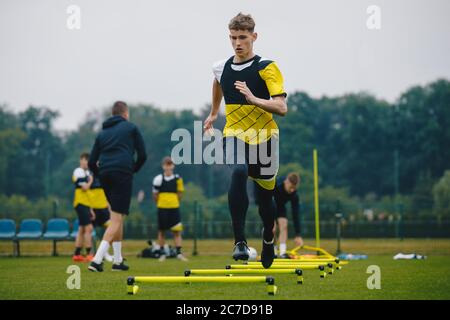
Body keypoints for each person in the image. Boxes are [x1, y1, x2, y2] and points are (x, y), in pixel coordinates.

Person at [203, 13, 288, 268]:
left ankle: (268, 236)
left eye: (242, 37)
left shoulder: (267, 67)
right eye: (233, 38)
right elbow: (218, 82)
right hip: (235, 133)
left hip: (265, 139)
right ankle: (239, 242)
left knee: (265, 202)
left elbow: (281, 107)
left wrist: (254, 99)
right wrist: (214, 112)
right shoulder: (221, 66)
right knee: (238, 171)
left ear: (254, 37)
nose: (237, 43)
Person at [87, 101, 147, 272]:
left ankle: (118, 260)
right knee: (116, 219)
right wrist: (132, 169)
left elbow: (92, 161)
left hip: (105, 174)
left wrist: (100, 174)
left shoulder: (102, 133)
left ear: (113, 114)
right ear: (125, 114)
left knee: (117, 215)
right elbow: (142, 155)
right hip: (123, 172)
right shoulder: (131, 128)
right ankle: (97, 260)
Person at [152, 156, 188, 262]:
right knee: (161, 231)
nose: (168, 167)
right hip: (162, 208)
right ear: (163, 166)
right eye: (166, 164)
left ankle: (178, 253)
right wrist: (161, 203)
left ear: (173, 166)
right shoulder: (158, 179)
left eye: (170, 164)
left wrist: (174, 202)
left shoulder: (178, 179)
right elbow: (155, 195)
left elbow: (180, 193)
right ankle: (162, 253)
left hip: (174, 208)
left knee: (177, 231)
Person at [272, 173, 303, 258]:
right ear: (287, 182)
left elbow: (295, 214)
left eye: (294, 188)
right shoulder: (276, 184)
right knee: (272, 228)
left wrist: (298, 234)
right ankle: (272, 251)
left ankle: (282, 252)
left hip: (281, 207)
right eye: (291, 187)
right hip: (270, 205)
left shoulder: (294, 195)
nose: (292, 190)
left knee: (284, 225)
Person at [72, 152, 95, 262]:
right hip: (80, 203)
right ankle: (89, 254)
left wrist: (90, 209)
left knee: (81, 229)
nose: (86, 162)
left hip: (85, 204)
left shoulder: (86, 172)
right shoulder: (78, 171)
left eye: (88, 160)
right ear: (81, 160)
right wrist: (90, 181)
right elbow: (85, 188)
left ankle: (77, 255)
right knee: (88, 228)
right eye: (85, 160)